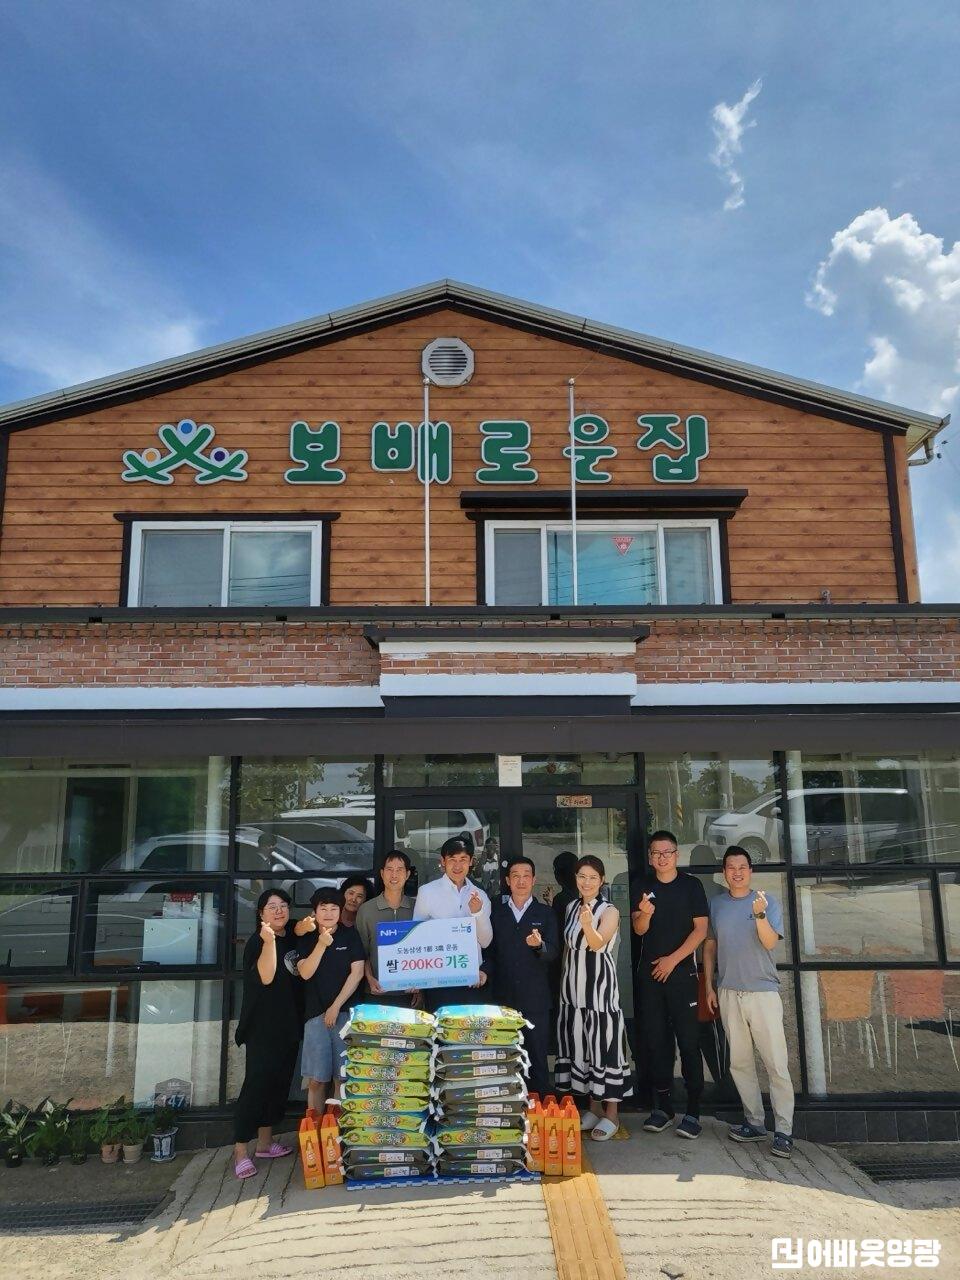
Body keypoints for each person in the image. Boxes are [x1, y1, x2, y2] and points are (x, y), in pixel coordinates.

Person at [703, 846, 795, 1159]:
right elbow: (710, 947)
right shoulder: (717, 904)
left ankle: (783, 1130)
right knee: (739, 1062)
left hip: (762, 992)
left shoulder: (767, 902)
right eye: (731, 867)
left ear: (751, 870)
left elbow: (769, 942)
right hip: (729, 991)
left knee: (775, 1063)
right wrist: (709, 985)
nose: (737, 872)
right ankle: (754, 1122)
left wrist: (759, 915)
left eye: (742, 867)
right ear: (724, 872)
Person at [632, 829, 709, 1139]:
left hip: (682, 976)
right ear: (650, 857)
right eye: (656, 853)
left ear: (676, 855)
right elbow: (638, 929)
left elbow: (700, 930)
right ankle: (663, 1107)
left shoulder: (691, 886)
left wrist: (673, 960)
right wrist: (645, 915)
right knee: (657, 1042)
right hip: (650, 977)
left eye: (667, 852)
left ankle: (693, 1111)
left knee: (689, 1042)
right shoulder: (643, 885)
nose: (661, 858)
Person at [555, 855, 632, 1141]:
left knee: (604, 1047)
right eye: (582, 876)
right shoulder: (571, 906)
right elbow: (568, 948)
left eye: (592, 878)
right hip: (573, 990)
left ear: (601, 881)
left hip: (600, 991)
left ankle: (612, 1113)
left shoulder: (609, 910)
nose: (586, 882)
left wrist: (588, 924)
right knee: (583, 1047)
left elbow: (598, 944)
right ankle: (594, 1107)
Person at [232, 889, 303, 1180]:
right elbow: (267, 975)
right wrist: (270, 940)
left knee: (278, 1085)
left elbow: (301, 928)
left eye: (283, 905)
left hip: (289, 1025)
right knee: (257, 1086)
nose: (279, 910)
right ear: (261, 913)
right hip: (262, 1027)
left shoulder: (291, 935)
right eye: (272, 906)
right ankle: (240, 1152)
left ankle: (264, 1144)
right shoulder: (258, 941)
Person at [482, 856, 560, 1096]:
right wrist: (484, 972)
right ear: (508, 881)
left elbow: (553, 952)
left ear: (534, 880)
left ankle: (540, 1107)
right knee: (505, 1057)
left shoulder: (545, 913)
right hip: (503, 998)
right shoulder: (496, 913)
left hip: (535, 999)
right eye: (516, 876)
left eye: (526, 876)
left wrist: (539, 946)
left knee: (537, 1057)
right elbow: (490, 952)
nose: (521, 881)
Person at [296, 887, 365, 1112]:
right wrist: (321, 944)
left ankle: (336, 1128)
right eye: (323, 908)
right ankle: (314, 1129)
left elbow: (357, 972)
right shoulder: (307, 938)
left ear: (340, 910)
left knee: (342, 1077)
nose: (328, 913)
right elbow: (305, 972)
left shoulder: (350, 935)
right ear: (314, 912)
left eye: (334, 908)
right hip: (315, 1016)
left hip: (344, 1014)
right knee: (316, 1080)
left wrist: (336, 1006)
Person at [412, 835, 493, 1012]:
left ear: (471, 861)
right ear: (443, 862)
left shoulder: (480, 895)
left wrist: (477, 913)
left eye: (463, 859)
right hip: (439, 980)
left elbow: (486, 941)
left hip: (472, 979)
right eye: (452, 859)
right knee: (441, 1027)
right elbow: (416, 937)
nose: (457, 866)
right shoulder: (427, 892)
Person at [355, 849, 420, 1007]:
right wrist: (370, 979)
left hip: (409, 993)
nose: (394, 875)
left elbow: (424, 952)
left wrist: (421, 988)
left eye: (399, 870)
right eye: (389, 870)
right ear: (382, 873)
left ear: (407, 874)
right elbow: (361, 953)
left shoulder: (418, 908)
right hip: (375, 992)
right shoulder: (366, 910)